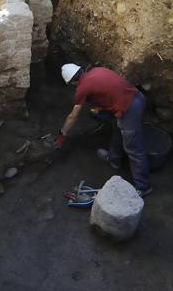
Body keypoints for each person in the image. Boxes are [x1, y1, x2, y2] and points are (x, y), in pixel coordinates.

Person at [57, 63, 152, 197]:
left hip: (130, 109)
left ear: (73, 82)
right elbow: (109, 89)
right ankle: (114, 159)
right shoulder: (97, 70)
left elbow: (73, 116)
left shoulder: (82, 88)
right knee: (117, 129)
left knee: (133, 148)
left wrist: (62, 134)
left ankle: (143, 187)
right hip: (136, 97)